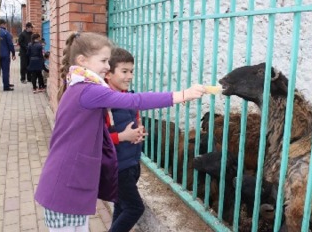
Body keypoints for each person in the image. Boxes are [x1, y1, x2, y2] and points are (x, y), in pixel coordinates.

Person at [34, 32, 206, 232]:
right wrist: (182, 95)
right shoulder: (88, 90)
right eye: (104, 60)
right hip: (64, 183)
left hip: (72, 178)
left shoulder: (80, 85)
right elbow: (135, 100)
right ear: (83, 60)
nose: (108, 66)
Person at [104, 47, 147, 232]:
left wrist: (138, 131)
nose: (129, 76)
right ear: (108, 74)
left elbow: (135, 120)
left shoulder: (129, 96)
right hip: (117, 169)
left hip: (131, 164)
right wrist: (123, 136)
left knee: (122, 207)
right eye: (124, 71)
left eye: (131, 71)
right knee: (135, 208)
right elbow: (99, 138)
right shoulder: (104, 103)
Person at [0, 19, 16, 91]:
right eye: (5, 24)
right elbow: (10, 44)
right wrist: (13, 53)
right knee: (5, 71)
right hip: (5, 55)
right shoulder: (6, 33)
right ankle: (6, 86)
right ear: (2, 24)